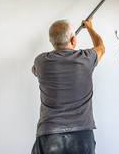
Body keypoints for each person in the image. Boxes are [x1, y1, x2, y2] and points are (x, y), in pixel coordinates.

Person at [31, 17, 105, 154]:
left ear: (51, 43)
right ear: (73, 40)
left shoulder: (41, 61)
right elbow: (101, 46)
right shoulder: (87, 58)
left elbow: (33, 70)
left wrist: (56, 48)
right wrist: (89, 28)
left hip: (49, 135)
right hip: (82, 135)